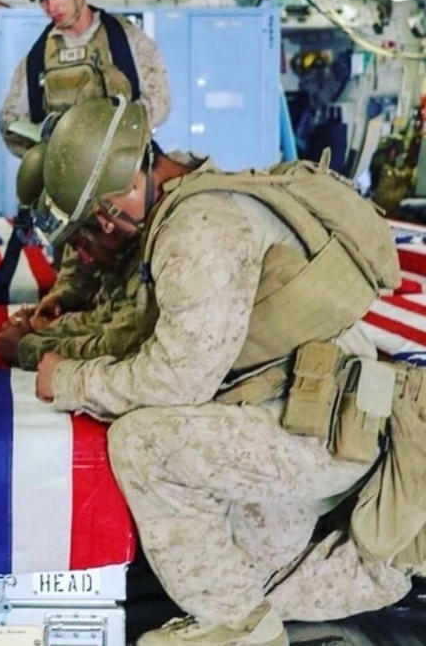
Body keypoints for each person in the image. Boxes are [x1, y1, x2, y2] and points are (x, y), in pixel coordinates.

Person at [31, 96, 413, 644]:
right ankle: (383, 571)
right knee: (232, 571)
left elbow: (177, 380)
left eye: (99, 217)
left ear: (121, 197)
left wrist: (69, 381)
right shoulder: (200, 200)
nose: (105, 232)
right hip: (319, 413)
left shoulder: (199, 226)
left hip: (315, 431)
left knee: (144, 443)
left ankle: (236, 630)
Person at [0, 0, 170, 159]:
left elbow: (158, 101)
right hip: (64, 173)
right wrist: (46, 148)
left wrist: (113, 136)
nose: (51, 7)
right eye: (43, 0)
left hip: (122, 168)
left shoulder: (126, 40)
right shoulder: (37, 57)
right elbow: (9, 122)